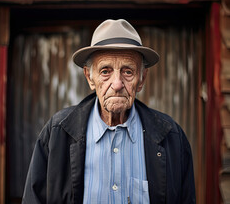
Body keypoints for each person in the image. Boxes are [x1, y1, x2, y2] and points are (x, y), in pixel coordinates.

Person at [22, 19, 196, 204]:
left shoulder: (171, 137)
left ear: (142, 79)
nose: (117, 84)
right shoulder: (57, 133)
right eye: (105, 71)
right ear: (90, 77)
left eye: (128, 72)